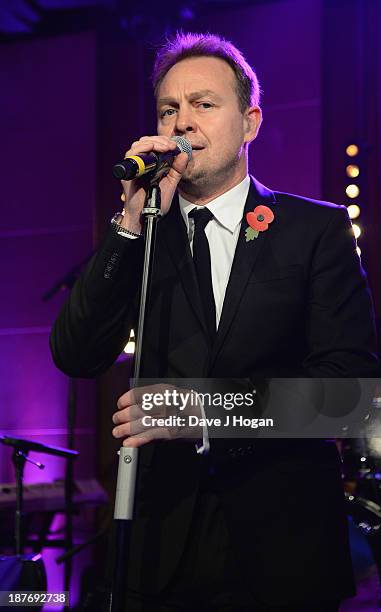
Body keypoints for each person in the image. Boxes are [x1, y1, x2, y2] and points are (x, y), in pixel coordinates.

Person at [50, 32, 379, 611]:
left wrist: (205, 411)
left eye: (203, 105)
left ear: (250, 122)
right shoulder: (144, 236)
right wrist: (127, 223)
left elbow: (347, 395)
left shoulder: (314, 232)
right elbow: (75, 354)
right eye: (168, 110)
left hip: (283, 548)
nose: (183, 124)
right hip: (160, 551)